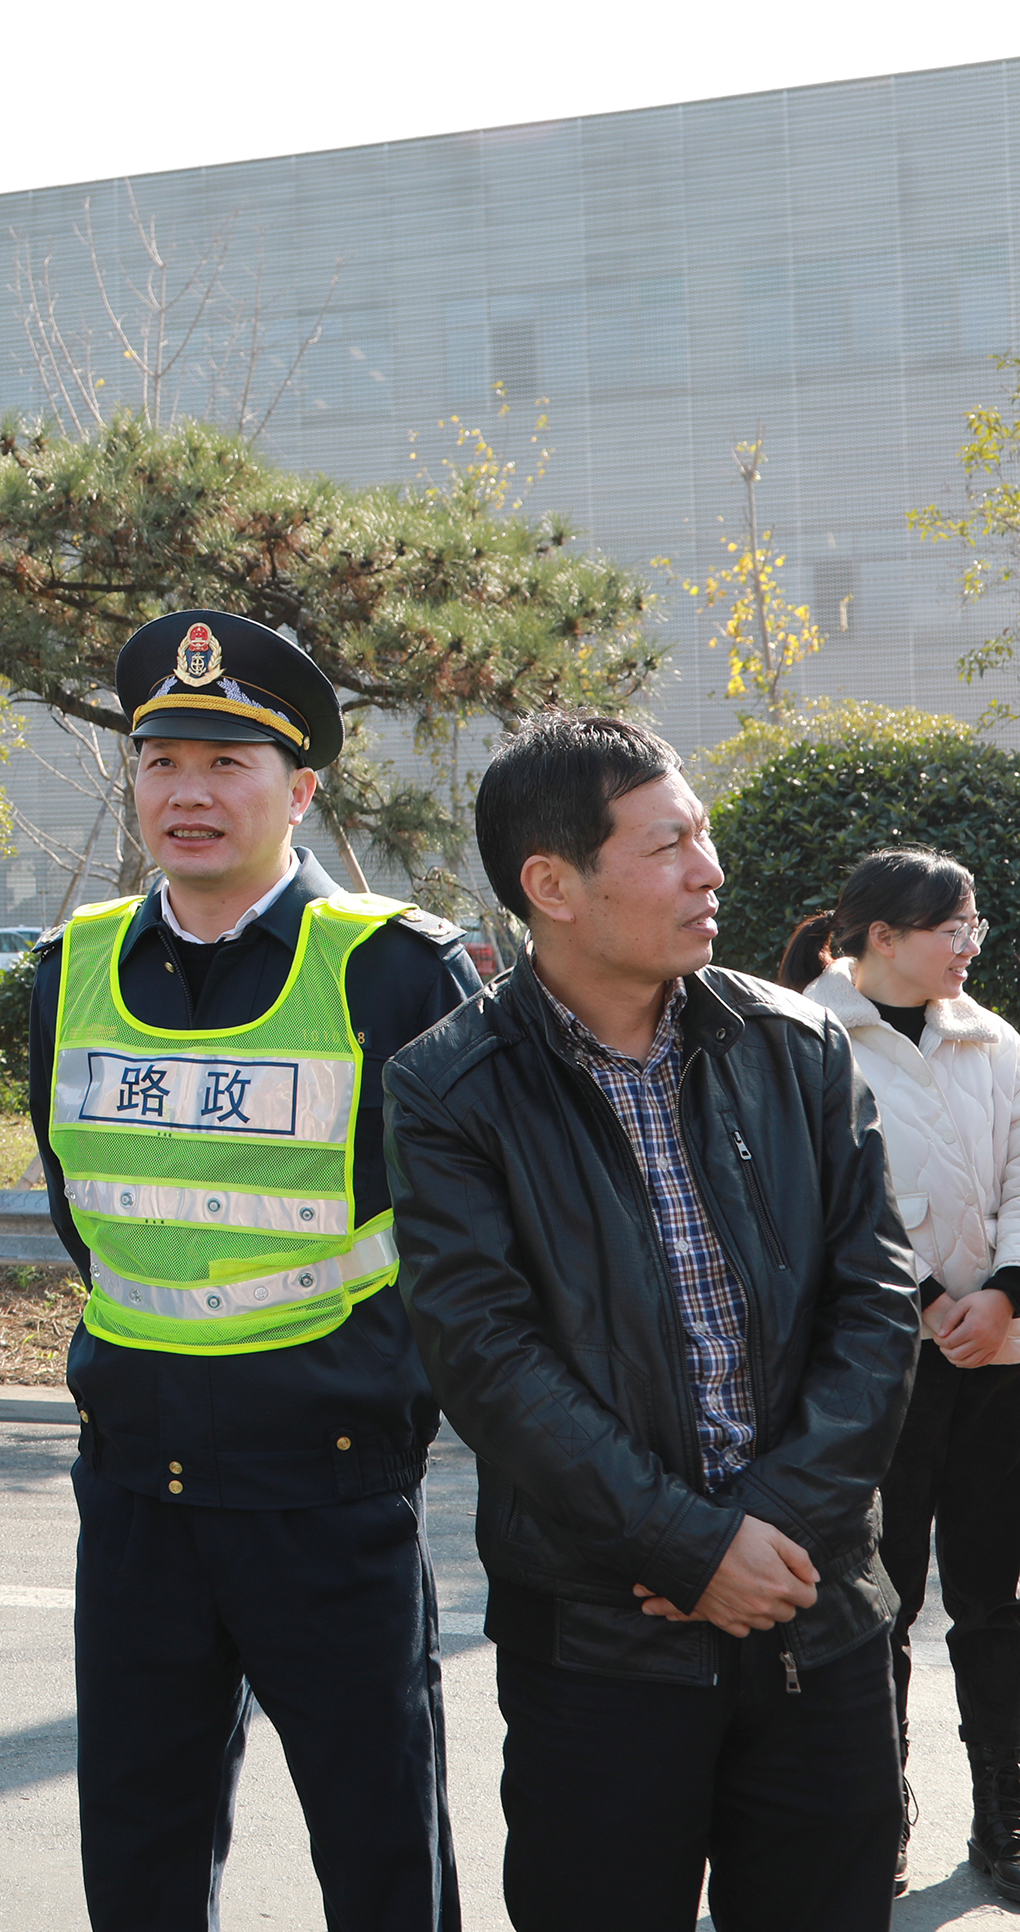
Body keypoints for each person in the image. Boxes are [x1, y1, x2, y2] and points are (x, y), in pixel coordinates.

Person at [387, 712, 919, 1932]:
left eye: (704, 835)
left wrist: (768, 1531)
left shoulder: (795, 1046)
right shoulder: (450, 1087)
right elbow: (487, 1358)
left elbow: (877, 1299)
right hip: (602, 1640)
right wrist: (687, 1549)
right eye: (669, 844)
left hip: (815, 1611)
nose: (710, 870)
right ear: (553, 885)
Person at [23, 610, 477, 1932]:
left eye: (228, 764)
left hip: (330, 1489)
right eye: (162, 763)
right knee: (140, 1852)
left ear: (301, 792)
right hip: (135, 1490)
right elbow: (88, 1213)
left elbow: (467, 1235)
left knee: (382, 1853)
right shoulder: (71, 968)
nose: (190, 793)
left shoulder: (398, 971)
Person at [784, 849, 1020, 1899]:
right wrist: (925, 1301)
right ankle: (872, 1812)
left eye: (975, 927)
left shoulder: (994, 1040)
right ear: (882, 936)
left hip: (1000, 1355)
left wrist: (1006, 1291)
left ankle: (1007, 1807)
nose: (970, 946)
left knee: (996, 1595)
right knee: (876, 1598)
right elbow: (818, 1197)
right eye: (951, 929)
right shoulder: (803, 1036)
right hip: (874, 1365)